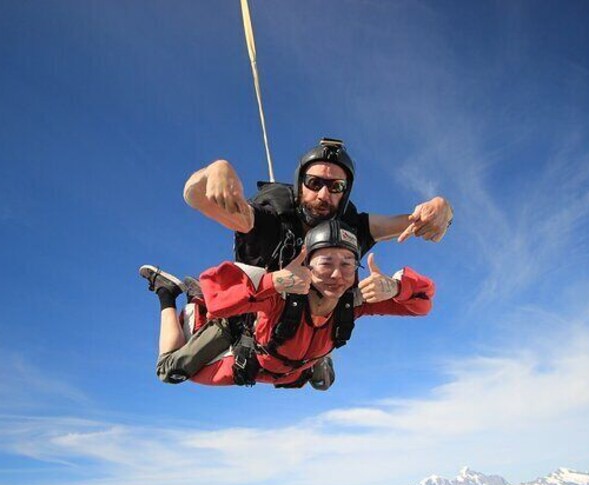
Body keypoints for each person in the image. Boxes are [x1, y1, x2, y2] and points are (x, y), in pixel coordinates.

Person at [181, 138, 451, 387]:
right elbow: (197, 197)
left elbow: (415, 223)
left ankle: (318, 354)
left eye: (336, 187)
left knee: (326, 325)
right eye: (314, 183)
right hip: (256, 321)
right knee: (177, 369)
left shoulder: (350, 231)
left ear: (345, 193)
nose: (324, 195)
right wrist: (214, 171)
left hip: (314, 329)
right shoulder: (268, 222)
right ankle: (176, 298)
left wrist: (441, 209)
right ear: (299, 183)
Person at [139, 220, 435, 388]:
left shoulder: (354, 302)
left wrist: (396, 287)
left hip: (296, 367)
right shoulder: (281, 297)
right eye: (325, 263)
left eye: (347, 264)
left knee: (322, 382)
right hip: (252, 363)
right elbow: (217, 295)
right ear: (306, 265)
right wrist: (273, 282)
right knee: (170, 372)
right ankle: (169, 293)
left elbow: (423, 303)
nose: (337, 275)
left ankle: (318, 357)